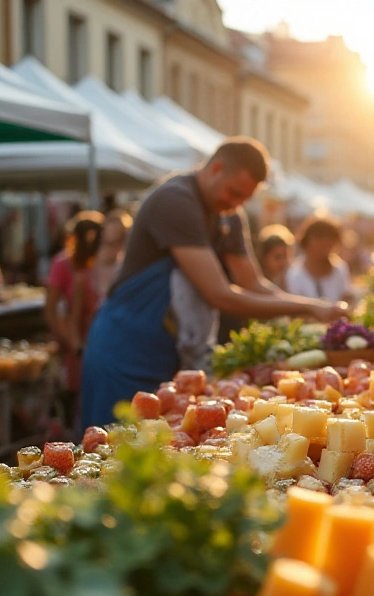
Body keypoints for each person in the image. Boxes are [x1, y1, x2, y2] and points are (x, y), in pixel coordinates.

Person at [81, 138, 345, 427]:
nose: (234, 205)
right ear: (216, 168)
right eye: (233, 193)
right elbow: (220, 295)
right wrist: (307, 307)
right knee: (108, 448)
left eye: (243, 199)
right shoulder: (176, 200)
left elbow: (254, 283)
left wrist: (312, 308)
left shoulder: (228, 215)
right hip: (125, 346)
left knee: (158, 446)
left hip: (169, 351)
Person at [47, 211, 104, 429]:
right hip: (75, 340)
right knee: (74, 394)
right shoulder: (63, 264)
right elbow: (52, 308)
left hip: (96, 338)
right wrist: (69, 341)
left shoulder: (101, 264)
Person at [285, 216, 355, 304]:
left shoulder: (340, 268)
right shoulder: (295, 273)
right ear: (306, 241)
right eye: (319, 237)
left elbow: (347, 297)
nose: (324, 243)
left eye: (330, 237)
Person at [91, 209, 131, 298]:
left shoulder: (125, 267)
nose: (112, 248)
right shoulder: (90, 264)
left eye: (118, 242)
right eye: (107, 243)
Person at [256, 224, 295, 290]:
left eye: (285, 256)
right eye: (277, 257)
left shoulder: (291, 280)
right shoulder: (257, 283)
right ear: (264, 257)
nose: (282, 262)